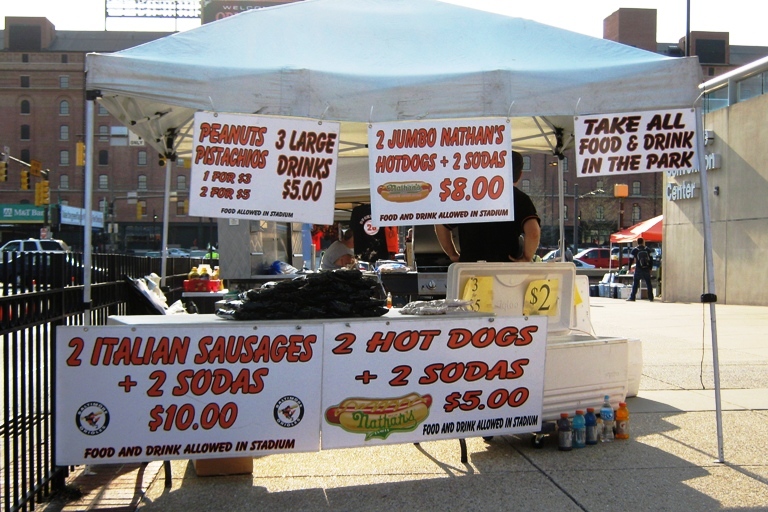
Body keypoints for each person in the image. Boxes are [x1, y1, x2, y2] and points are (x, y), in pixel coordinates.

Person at [435, 151, 541, 262]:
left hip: (470, 268)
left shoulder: (468, 196)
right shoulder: (520, 199)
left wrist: (452, 254)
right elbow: (533, 232)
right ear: (519, 175)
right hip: (505, 268)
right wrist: (526, 257)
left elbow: (441, 224)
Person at [627, 237, 654, 302]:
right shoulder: (647, 249)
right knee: (648, 283)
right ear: (643, 242)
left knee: (635, 283)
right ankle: (651, 297)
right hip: (646, 269)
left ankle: (632, 297)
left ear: (637, 242)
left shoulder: (635, 250)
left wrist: (629, 268)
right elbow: (651, 259)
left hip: (638, 268)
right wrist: (650, 268)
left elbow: (630, 260)